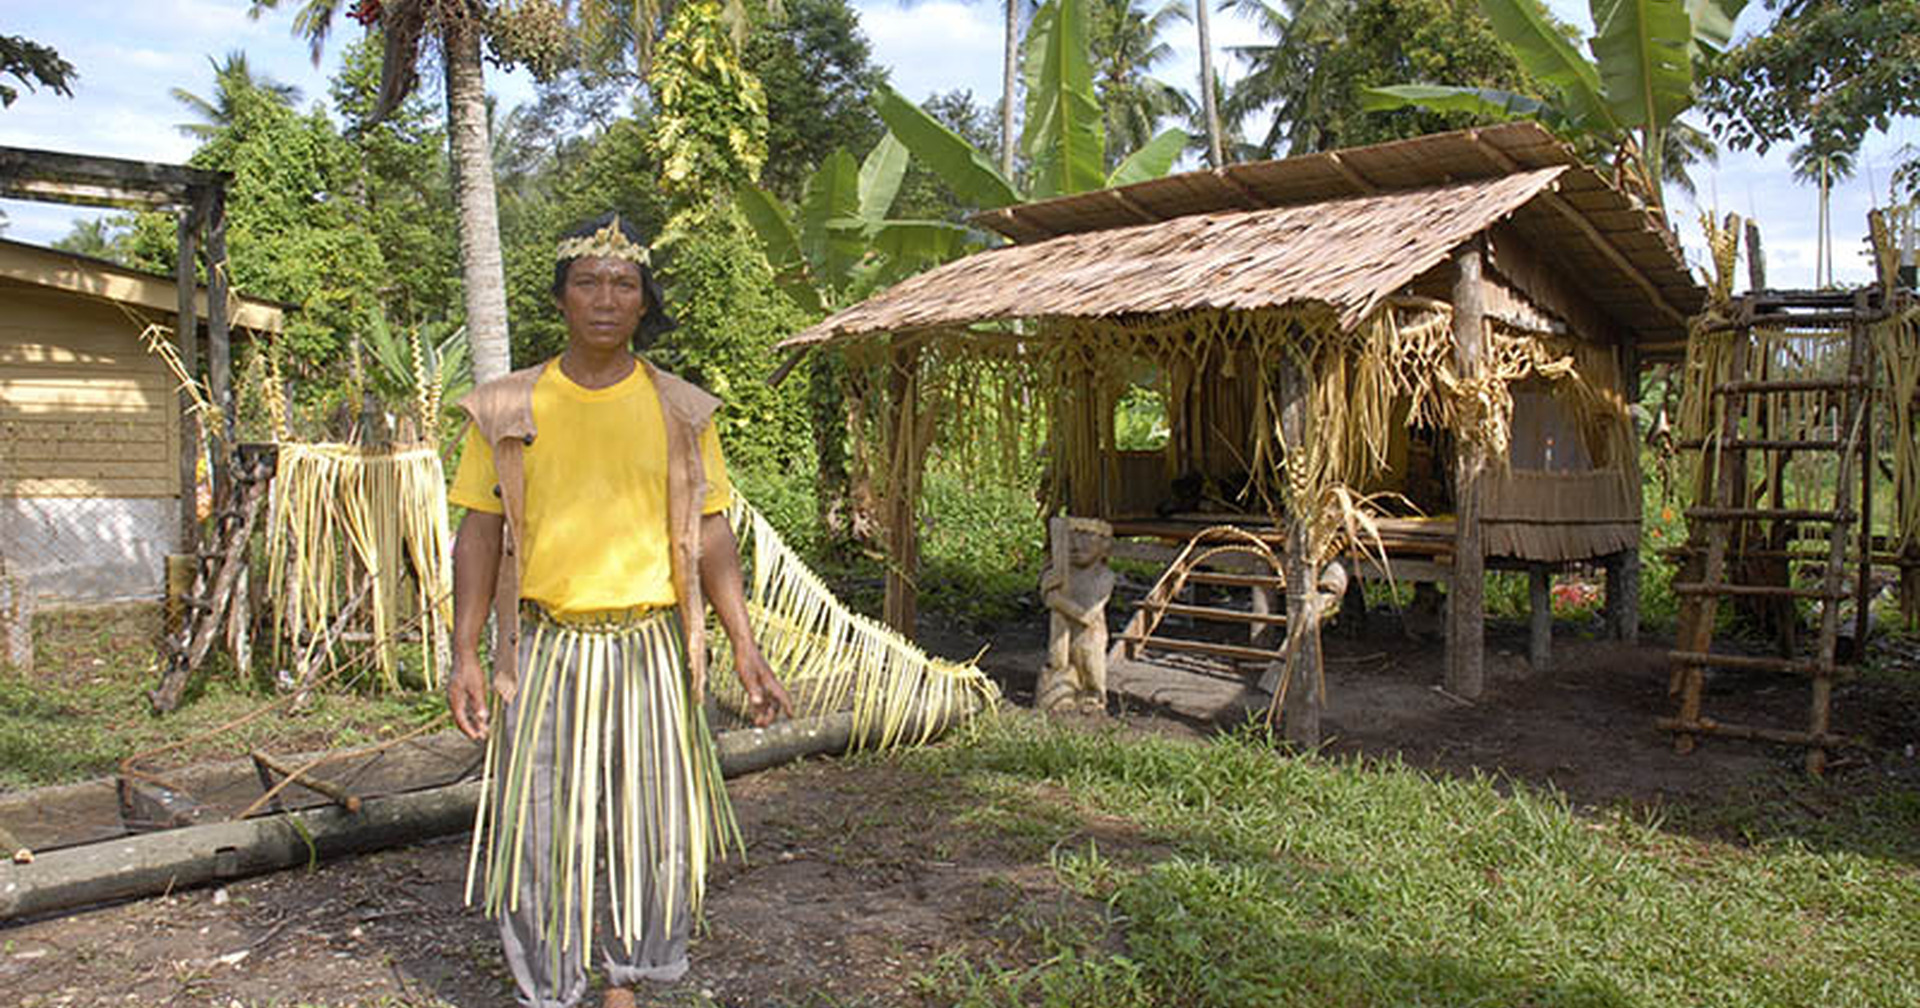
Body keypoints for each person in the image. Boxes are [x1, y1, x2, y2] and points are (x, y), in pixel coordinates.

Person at [446, 211, 793, 1008]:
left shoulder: (681, 410)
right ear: (561, 298)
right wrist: (466, 652)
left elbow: (710, 533)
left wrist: (744, 644)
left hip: (651, 648)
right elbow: (478, 530)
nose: (606, 298)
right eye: (588, 283)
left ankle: (630, 979)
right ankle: (551, 990)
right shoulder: (507, 406)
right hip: (543, 646)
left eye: (624, 284)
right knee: (537, 833)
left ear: (644, 302)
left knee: (660, 827)